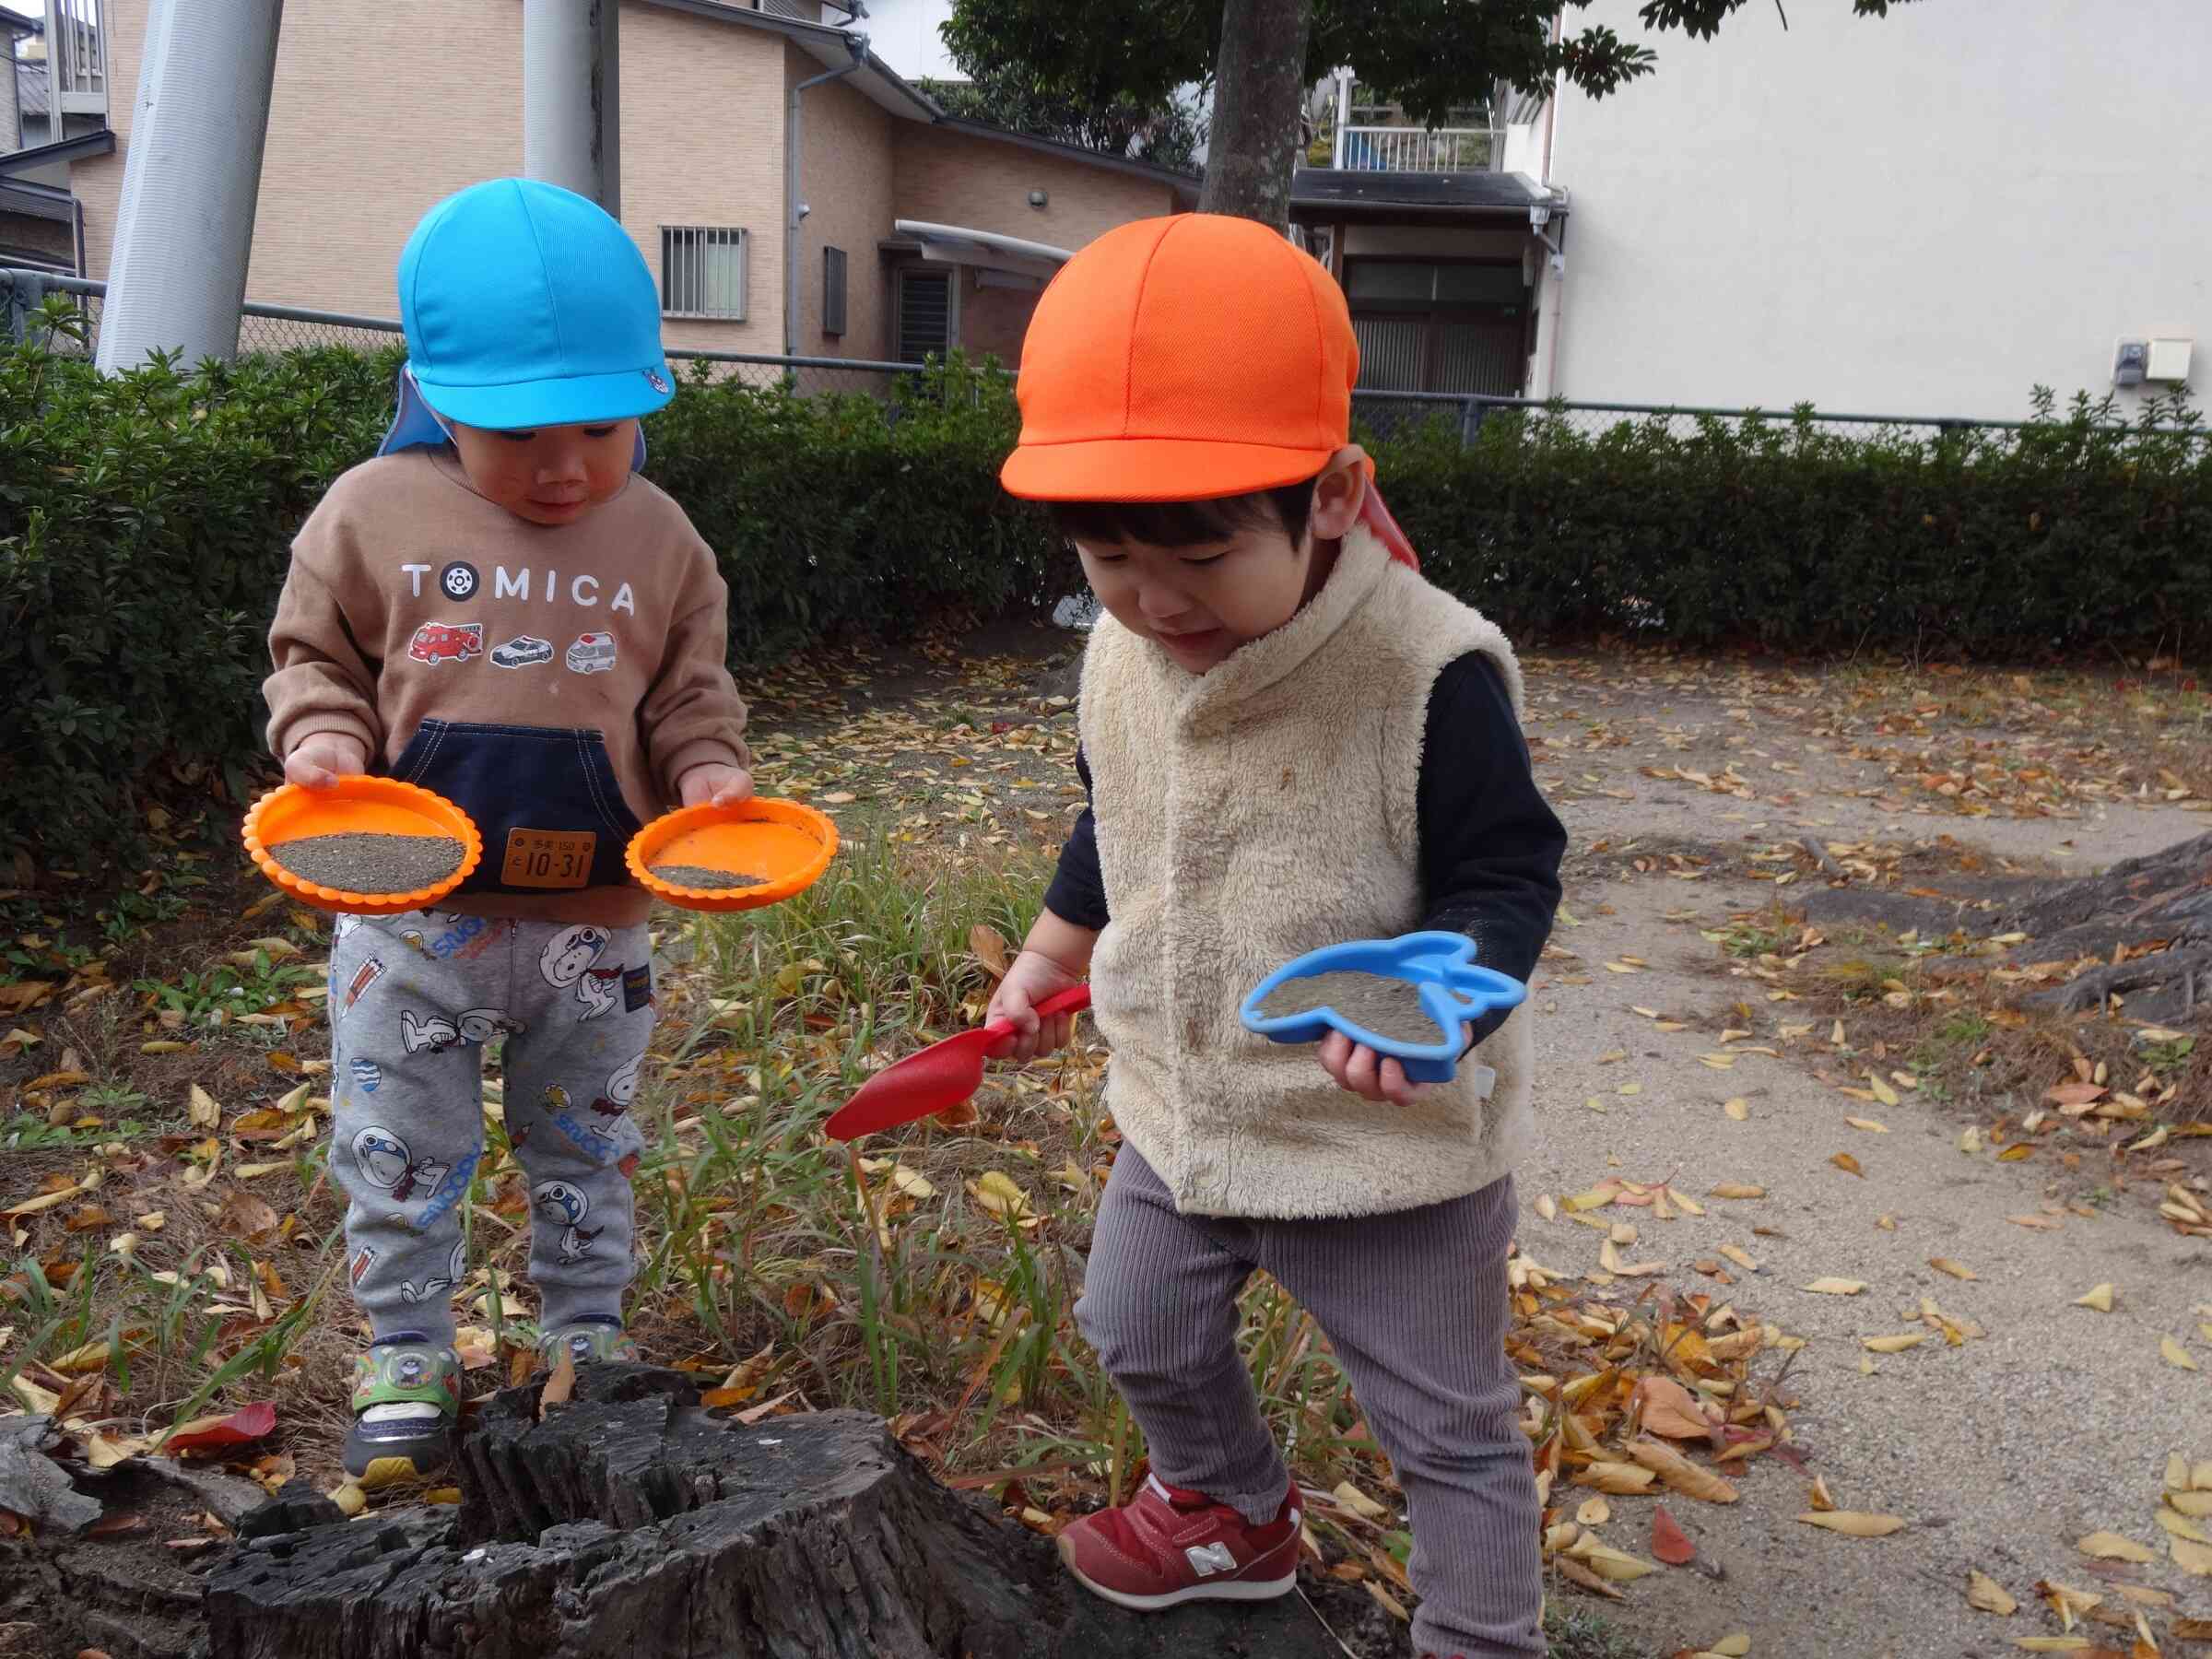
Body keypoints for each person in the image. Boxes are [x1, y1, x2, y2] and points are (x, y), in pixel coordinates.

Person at [986, 214, 1567, 1659]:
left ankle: (1483, 1637)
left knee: (1448, 1427)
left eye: (1197, 553)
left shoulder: (1424, 671)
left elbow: (1511, 871)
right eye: (1110, 555)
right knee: (1136, 1328)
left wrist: (1443, 1010)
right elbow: (1114, 821)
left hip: (1382, 1145)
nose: (1155, 599)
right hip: (1181, 1108)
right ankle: (1231, 1513)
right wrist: (1051, 957)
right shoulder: (1124, 653)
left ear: (1331, 494)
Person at [263, 178, 752, 1478]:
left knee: (588, 1143)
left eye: (599, 427)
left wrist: (710, 781)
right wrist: (320, 739)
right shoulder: (367, 512)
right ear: (433, 394)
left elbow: (691, 696)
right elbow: (312, 657)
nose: (563, 467)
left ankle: (584, 1336)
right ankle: (407, 1345)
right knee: (398, 1143)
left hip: (595, 929)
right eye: (515, 433)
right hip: (410, 919)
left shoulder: (661, 537)